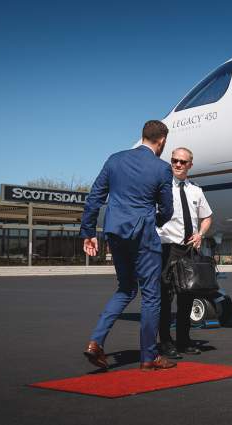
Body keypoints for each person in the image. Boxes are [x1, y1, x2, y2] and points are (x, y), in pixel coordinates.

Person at [81, 120, 177, 371]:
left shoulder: (114, 160)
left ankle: (96, 341)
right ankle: (149, 356)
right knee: (151, 296)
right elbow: (167, 208)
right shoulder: (161, 168)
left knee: (125, 289)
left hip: (114, 232)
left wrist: (89, 232)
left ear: (143, 135)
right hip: (144, 235)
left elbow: (95, 198)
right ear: (162, 140)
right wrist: (155, 220)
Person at [157, 147, 213, 358]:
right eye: (174, 161)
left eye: (182, 162)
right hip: (166, 248)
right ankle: (165, 342)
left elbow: (207, 217)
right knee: (165, 298)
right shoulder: (161, 189)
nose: (177, 164)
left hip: (189, 248)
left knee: (187, 296)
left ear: (190, 164)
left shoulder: (196, 190)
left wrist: (200, 233)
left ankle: (183, 340)